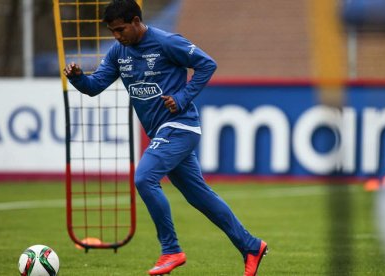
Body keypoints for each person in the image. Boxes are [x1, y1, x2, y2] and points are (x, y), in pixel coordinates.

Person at [64, 0, 268, 275]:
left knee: (144, 178)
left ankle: (171, 250)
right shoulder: (118, 52)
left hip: (180, 127)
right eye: (112, 31)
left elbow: (207, 64)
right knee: (200, 197)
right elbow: (95, 86)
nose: (117, 36)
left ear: (136, 21)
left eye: (121, 29)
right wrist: (78, 78)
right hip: (163, 132)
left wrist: (183, 97)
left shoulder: (167, 42)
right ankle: (251, 246)